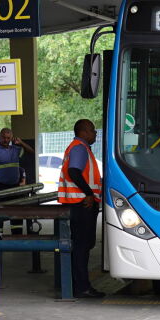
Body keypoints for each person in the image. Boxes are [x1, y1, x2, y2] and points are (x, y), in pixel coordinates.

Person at [57, 119, 104, 298]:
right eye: (92, 130)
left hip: (78, 202)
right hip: (81, 204)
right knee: (82, 246)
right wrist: (89, 193)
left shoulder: (79, 147)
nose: (95, 133)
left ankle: (79, 284)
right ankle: (81, 286)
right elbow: (74, 171)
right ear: (83, 132)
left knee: (82, 245)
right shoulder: (79, 148)